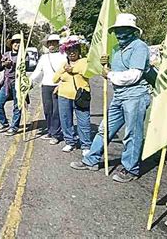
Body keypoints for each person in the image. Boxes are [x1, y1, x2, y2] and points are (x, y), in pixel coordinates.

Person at [70, 13, 152, 183]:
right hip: (120, 95)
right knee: (104, 128)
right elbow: (108, 73)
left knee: (132, 133)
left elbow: (134, 75)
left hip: (135, 95)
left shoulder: (139, 47)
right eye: (117, 30)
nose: (120, 34)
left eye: (124, 30)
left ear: (132, 31)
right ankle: (91, 159)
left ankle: (130, 169)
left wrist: (110, 74)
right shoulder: (116, 49)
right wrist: (104, 66)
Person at [52, 36, 91, 155]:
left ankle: (86, 145)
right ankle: (70, 142)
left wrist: (72, 69)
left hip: (81, 96)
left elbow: (87, 73)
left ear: (79, 50)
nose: (72, 52)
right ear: (65, 52)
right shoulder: (64, 64)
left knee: (83, 120)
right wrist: (63, 70)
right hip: (64, 95)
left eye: (74, 49)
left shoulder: (84, 61)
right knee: (65, 120)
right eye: (69, 50)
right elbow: (55, 79)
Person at [30, 34, 67, 145]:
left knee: (56, 111)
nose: (52, 45)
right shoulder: (44, 57)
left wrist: (61, 83)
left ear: (58, 44)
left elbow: (66, 72)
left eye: (54, 43)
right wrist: (29, 81)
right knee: (47, 110)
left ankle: (56, 134)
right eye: (50, 43)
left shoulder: (64, 56)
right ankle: (50, 131)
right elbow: (37, 71)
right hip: (46, 86)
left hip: (59, 85)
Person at [0, 34, 30, 136]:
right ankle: (4, 123)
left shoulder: (24, 55)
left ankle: (14, 127)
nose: (17, 44)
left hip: (18, 83)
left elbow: (25, 67)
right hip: (6, 82)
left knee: (17, 105)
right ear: (12, 44)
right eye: (15, 42)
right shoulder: (6, 54)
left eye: (19, 42)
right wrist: (4, 64)